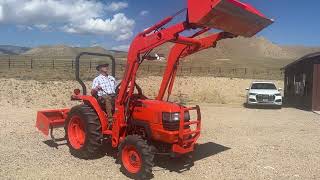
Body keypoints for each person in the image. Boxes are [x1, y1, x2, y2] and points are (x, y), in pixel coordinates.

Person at [92, 63, 116, 128]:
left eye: (106, 66)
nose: (106, 67)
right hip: (102, 97)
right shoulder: (97, 79)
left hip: (113, 95)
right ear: (100, 69)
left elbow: (116, 89)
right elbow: (92, 92)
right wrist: (96, 88)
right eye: (104, 66)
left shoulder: (112, 78)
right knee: (107, 98)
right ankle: (110, 121)